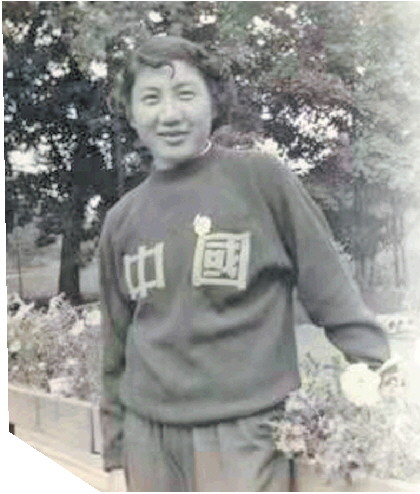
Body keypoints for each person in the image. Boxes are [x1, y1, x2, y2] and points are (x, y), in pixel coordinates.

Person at [99, 35, 391, 492]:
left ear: (213, 102)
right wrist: (117, 452)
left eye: (185, 94)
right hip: (148, 440)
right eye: (151, 98)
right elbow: (115, 346)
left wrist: (377, 372)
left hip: (244, 435)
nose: (170, 114)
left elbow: (330, 290)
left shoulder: (260, 180)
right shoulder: (121, 220)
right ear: (132, 113)